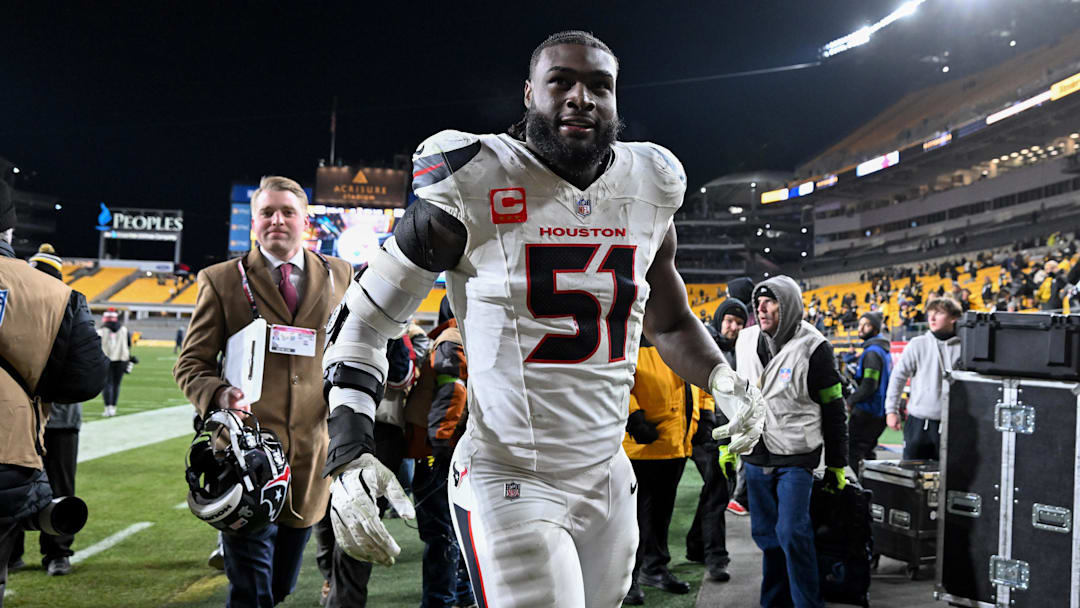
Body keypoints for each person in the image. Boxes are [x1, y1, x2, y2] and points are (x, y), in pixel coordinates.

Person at [318, 30, 762, 607]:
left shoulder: (649, 186)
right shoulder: (473, 179)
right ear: (530, 94)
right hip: (510, 473)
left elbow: (671, 322)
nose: (582, 97)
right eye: (563, 82)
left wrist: (723, 379)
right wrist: (349, 452)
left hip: (607, 473)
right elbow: (363, 322)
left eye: (600, 85)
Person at [173, 175, 352, 607]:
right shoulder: (221, 279)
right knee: (251, 588)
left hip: (311, 457)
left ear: (305, 221)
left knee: (278, 587)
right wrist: (219, 394)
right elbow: (190, 364)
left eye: (287, 212)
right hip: (243, 458)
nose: (277, 220)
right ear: (254, 222)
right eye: (267, 212)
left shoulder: (340, 275)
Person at [0, 180, 107, 602]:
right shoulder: (55, 295)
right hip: (11, 450)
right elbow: (86, 381)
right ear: (9, 231)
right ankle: (50, 552)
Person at [733, 276, 849, 608]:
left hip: (797, 456)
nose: (761, 307)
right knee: (768, 538)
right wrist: (733, 444)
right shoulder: (744, 341)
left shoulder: (816, 347)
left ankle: (808, 604)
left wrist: (838, 463)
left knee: (792, 533)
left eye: (771, 301)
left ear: (790, 306)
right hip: (756, 455)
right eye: (759, 301)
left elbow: (834, 409)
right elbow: (737, 398)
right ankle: (773, 602)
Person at [9, 243, 86, 577]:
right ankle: (51, 552)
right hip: (41, 416)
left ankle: (42, 551)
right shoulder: (69, 302)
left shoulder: (64, 304)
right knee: (44, 482)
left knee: (26, 481)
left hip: (38, 417)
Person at [402, 297, 475, 608]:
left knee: (441, 533)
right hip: (456, 449)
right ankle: (461, 595)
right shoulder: (469, 338)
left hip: (439, 451)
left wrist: (441, 443)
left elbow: (452, 390)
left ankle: (440, 601)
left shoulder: (451, 340)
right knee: (455, 530)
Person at [621, 335, 704, 604]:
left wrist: (705, 414)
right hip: (642, 446)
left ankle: (654, 568)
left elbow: (700, 380)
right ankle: (628, 578)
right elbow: (616, 381)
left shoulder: (680, 338)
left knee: (661, 515)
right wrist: (633, 418)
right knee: (633, 519)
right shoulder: (630, 335)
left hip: (675, 443)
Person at [885, 296, 962, 461]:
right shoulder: (917, 344)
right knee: (911, 478)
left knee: (950, 479)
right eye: (930, 313)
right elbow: (898, 377)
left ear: (954, 317)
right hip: (918, 424)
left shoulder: (965, 347)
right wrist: (891, 410)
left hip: (953, 424)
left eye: (939, 313)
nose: (932, 318)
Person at [707, 299, 751, 517]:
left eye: (739, 323)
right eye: (729, 320)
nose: (733, 327)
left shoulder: (744, 353)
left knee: (717, 492)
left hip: (727, 429)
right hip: (705, 428)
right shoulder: (704, 344)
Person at [847, 312, 892, 474]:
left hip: (868, 411)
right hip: (879, 412)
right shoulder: (882, 350)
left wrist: (850, 401)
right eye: (859, 324)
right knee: (867, 453)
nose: (860, 328)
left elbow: (869, 385)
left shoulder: (872, 352)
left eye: (865, 325)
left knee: (853, 452)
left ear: (874, 329)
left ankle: (857, 493)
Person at [97, 307, 131, 417]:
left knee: (107, 384)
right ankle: (113, 408)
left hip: (106, 359)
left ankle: (107, 408)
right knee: (117, 385)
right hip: (122, 359)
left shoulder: (101, 331)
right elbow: (129, 345)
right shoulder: (124, 330)